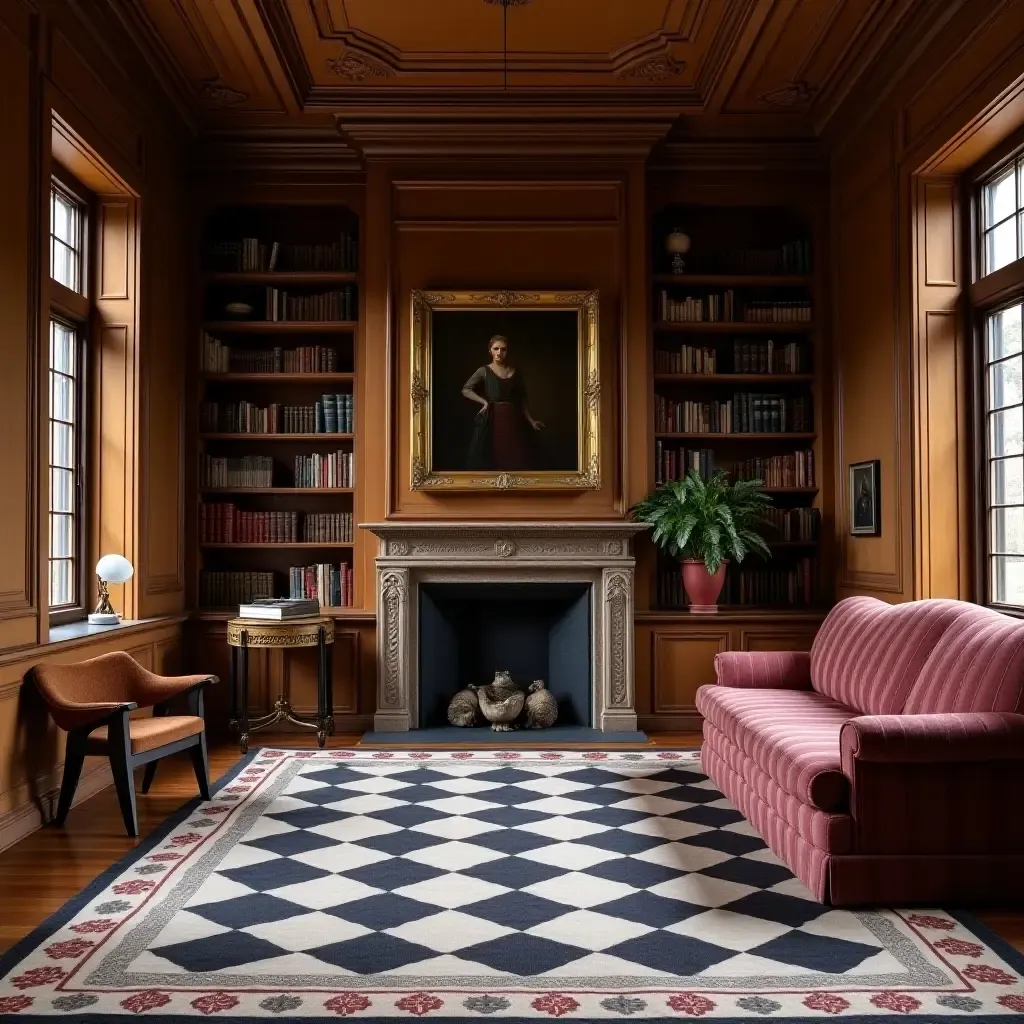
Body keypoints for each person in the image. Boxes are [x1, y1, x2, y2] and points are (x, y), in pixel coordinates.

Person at [461, 335, 543, 470]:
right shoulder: (484, 370)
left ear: (507, 351)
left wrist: (531, 421)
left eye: (503, 349)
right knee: (494, 456)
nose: (499, 352)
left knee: (515, 458)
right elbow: (466, 389)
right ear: (490, 351)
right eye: (496, 348)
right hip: (493, 420)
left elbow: (522, 399)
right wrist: (484, 402)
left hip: (513, 420)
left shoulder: (515, 371)